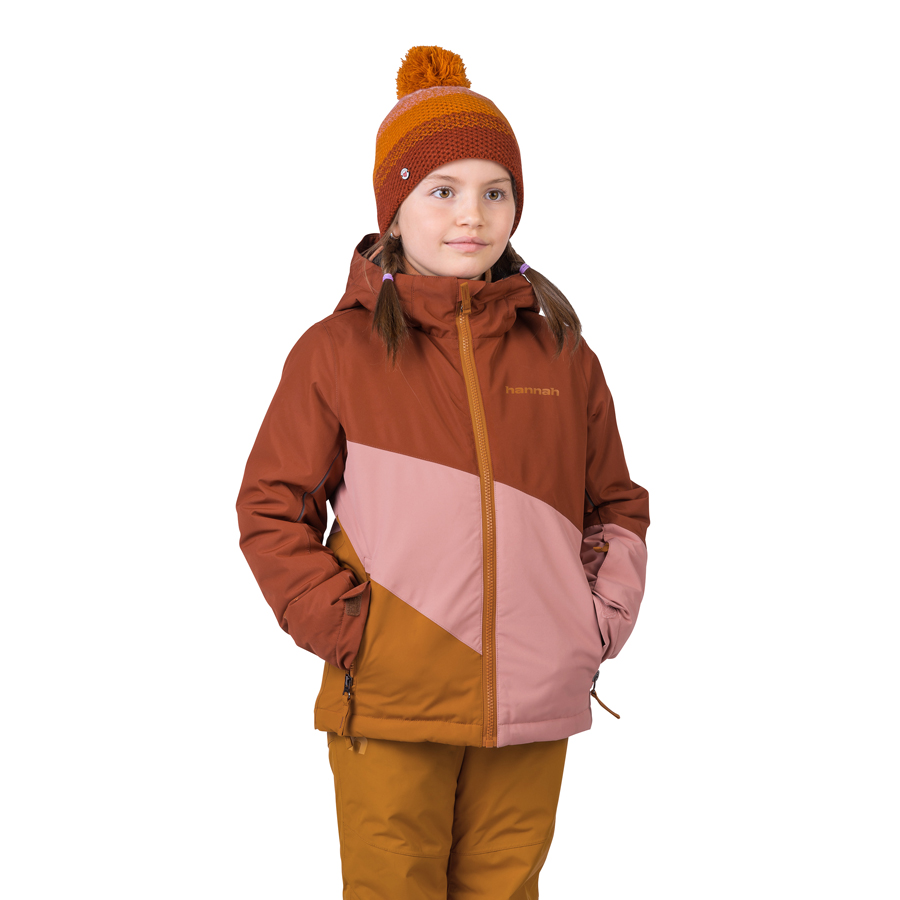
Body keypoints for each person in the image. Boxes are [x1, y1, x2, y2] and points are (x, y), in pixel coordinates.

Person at [236, 45, 650, 900]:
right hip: (394, 701)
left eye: (495, 192)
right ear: (395, 208)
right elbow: (271, 507)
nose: (472, 215)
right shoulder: (337, 352)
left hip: (534, 699)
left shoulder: (562, 353)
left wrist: (595, 623)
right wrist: (353, 632)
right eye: (443, 191)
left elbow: (615, 503)